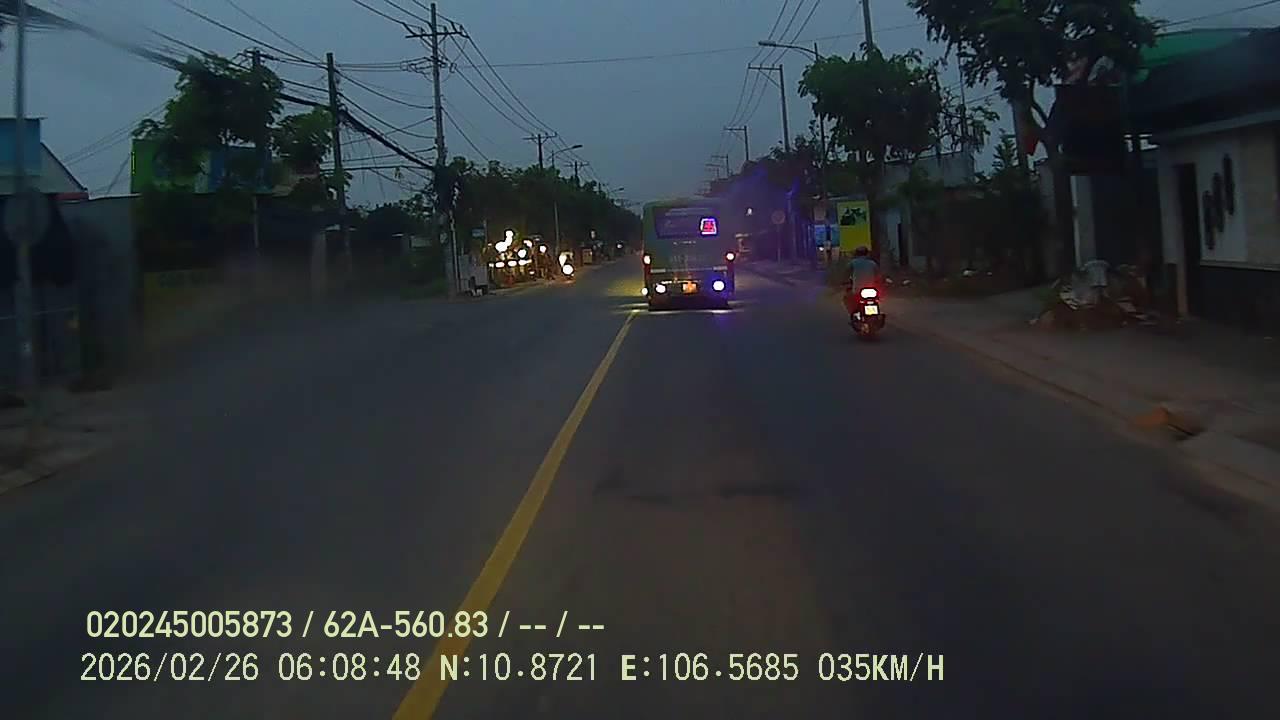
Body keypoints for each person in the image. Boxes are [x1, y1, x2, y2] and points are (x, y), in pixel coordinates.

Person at [843, 246, 880, 319]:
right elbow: (878, 275)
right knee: (877, 299)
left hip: (857, 290)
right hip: (872, 290)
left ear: (856, 254)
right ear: (867, 254)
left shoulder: (853, 262)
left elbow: (846, 272)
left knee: (847, 298)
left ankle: (854, 313)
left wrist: (844, 281)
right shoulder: (873, 263)